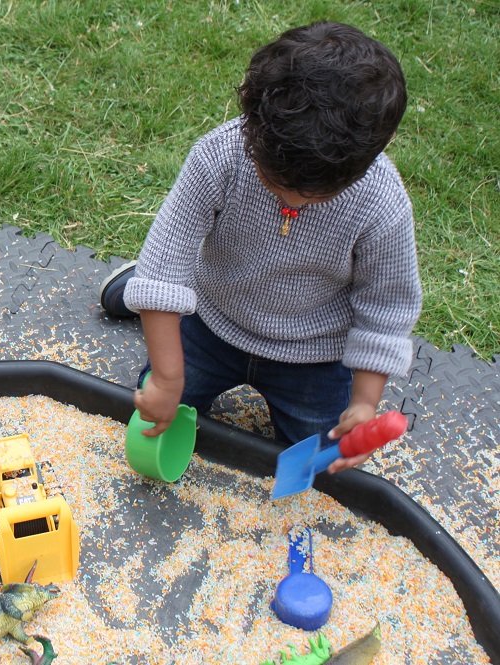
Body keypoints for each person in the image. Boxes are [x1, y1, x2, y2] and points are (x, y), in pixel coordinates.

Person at [99, 22, 421, 472]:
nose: (290, 199)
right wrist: (169, 377)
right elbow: (166, 265)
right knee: (156, 402)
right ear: (251, 117)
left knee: (321, 459)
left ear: (371, 155)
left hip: (313, 351)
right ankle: (145, 294)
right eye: (275, 179)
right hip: (213, 319)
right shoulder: (219, 156)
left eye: (313, 193)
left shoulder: (381, 203)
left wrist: (365, 404)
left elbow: (385, 309)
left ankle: (147, 298)